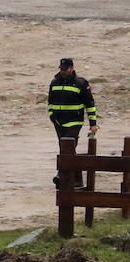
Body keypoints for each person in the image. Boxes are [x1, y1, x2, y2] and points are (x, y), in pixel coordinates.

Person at [48, 57, 97, 188]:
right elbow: (50, 102)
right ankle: (76, 179)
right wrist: (52, 116)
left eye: (65, 69)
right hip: (59, 122)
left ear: (72, 68)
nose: (63, 72)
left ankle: (61, 175)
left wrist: (93, 123)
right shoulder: (54, 83)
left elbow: (90, 104)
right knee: (65, 148)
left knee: (68, 147)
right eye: (61, 69)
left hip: (75, 122)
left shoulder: (81, 83)